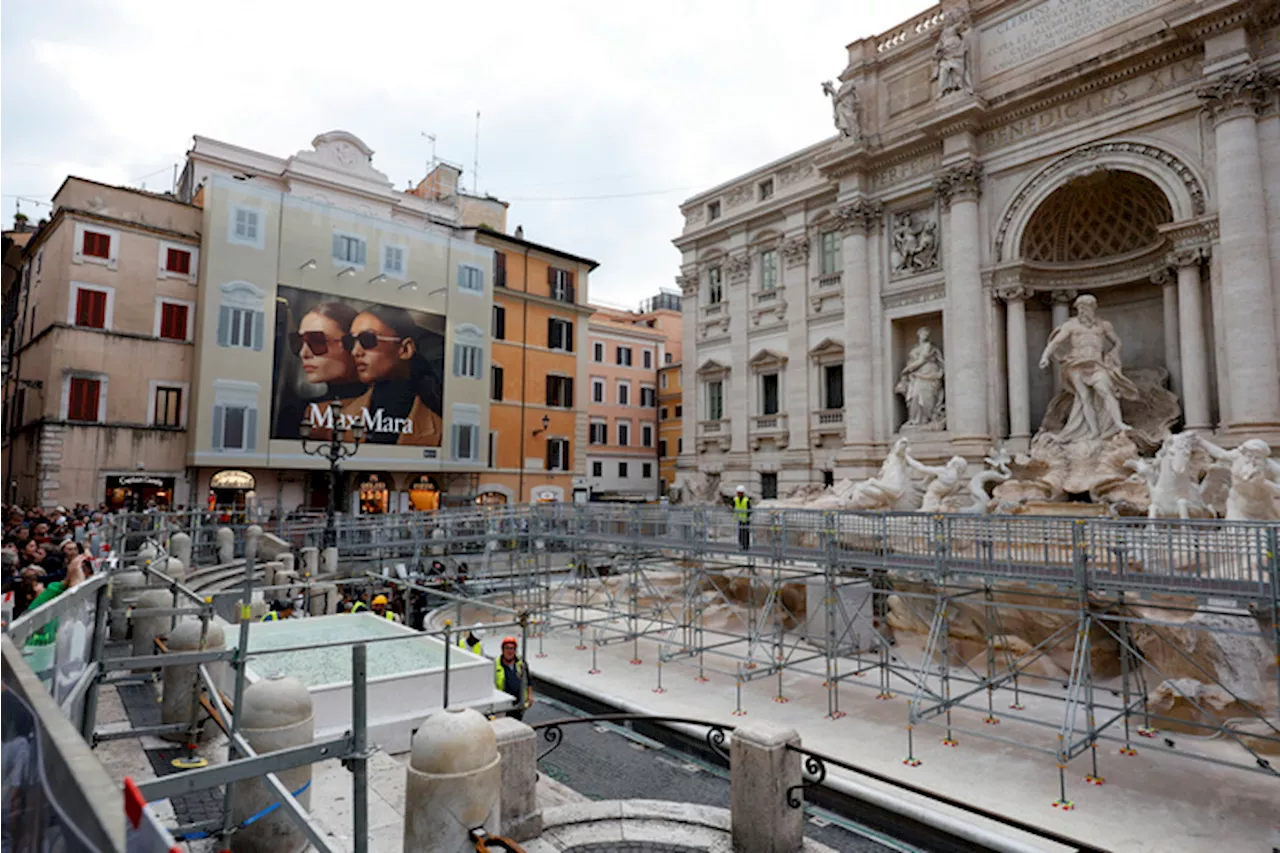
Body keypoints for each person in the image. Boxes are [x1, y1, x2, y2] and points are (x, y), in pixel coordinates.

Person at [341, 306, 443, 447]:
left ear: (405, 349)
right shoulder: (339, 417)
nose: (355, 351)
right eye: (350, 342)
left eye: (368, 339)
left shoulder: (440, 426)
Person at [289, 302, 365, 440]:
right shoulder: (297, 411)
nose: (303, 353)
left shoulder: (378, 404)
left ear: (351, 344)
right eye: (298, 341)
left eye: (317, 341)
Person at [494, 636, 532, 721]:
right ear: (502, 649)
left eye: (512, 648)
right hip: (503, 706)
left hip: (519, 704)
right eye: (507, 648)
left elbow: (528, 680)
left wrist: (529, 696)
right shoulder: (496, 664)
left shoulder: (521, 663)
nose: (509, 651)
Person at [733, 485, 752, 551]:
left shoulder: (746, 500)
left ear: (743, 493)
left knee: (746, 533)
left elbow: (749, 509)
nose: (738, 494)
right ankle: (741, 545)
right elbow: (733, 506)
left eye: (740, 493)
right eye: (738, 493)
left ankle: (746, 546)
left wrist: (748, 516)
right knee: (740, 534)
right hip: (740, 519)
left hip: (746, 520)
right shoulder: (736, 499)